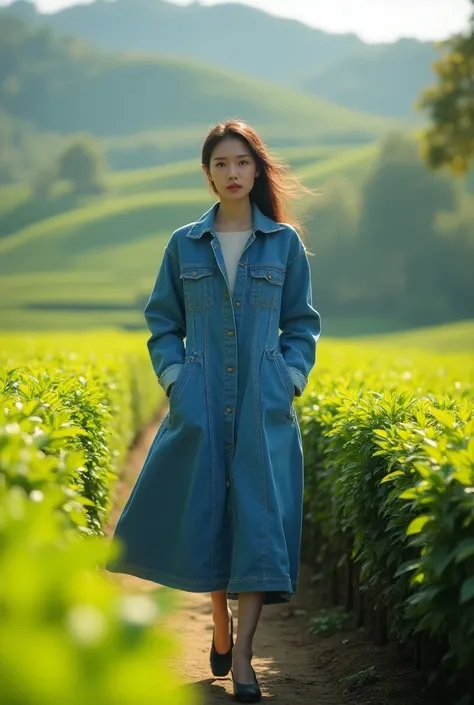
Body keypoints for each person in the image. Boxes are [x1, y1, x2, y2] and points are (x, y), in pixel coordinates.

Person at [106, 119, 321, 703]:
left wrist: (290, 377)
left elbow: (302, 323)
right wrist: (177, 379)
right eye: (221, 164)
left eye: (242, 163)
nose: (232, 173)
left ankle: (244, 656)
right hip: (201, 401)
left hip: (262, 405)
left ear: (257, 170)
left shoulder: (283, 244)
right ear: (209, 173)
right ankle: (219, 624)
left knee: (255, 518)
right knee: (210, 515)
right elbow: (163, 321)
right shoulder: (184, 244)